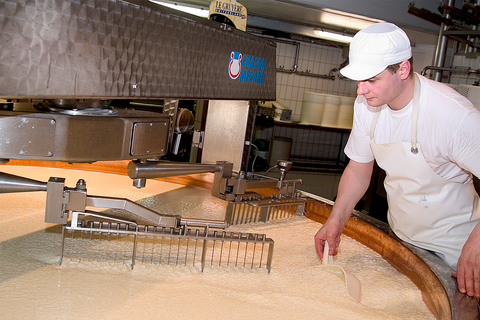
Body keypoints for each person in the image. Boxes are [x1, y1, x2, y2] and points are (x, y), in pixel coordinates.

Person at [314, 22, 480, 298]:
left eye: (371, 80)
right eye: (358, 80)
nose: (360, 90)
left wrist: (476, 245)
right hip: (405, 241)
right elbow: (358, 168)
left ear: (402, 69)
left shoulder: (452, 115)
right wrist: (337, 218)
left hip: (457, 253)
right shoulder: (367, 106)